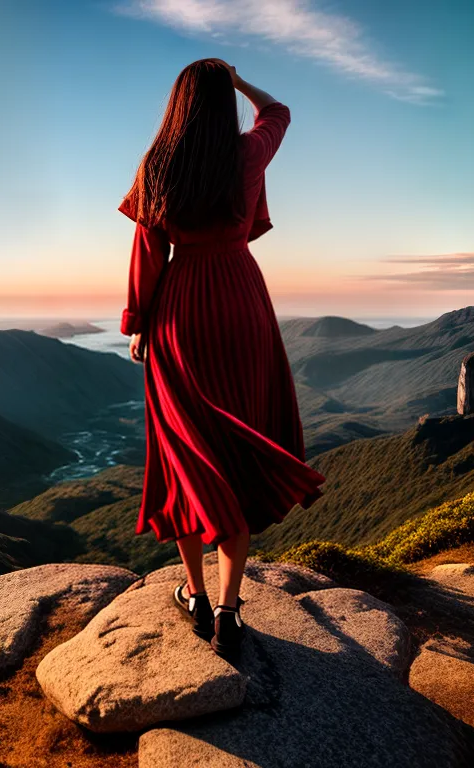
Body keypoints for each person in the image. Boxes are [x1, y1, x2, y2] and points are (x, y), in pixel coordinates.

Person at [117, 59, 327, 662]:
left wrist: (138, 325)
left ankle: (196, 593)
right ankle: (232, 609)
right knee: (238, 450)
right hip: (240, 300)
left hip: (181, 309)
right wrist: (238, 81)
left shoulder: (158, 166)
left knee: (187, 454)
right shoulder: (246, 154)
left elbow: (147, 254)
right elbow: (280, 112)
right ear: (221, 100)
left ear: (177, 102)